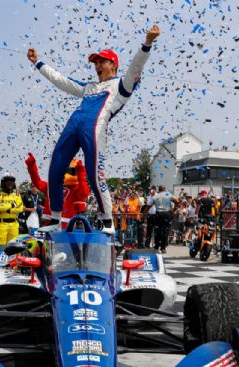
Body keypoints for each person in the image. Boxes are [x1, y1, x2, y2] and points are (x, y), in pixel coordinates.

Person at [27, 24, 160, 234]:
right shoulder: (89, 88)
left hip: (94, 130)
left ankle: (108, 221)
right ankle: (55, 218)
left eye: (101, 61)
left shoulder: (122, 85)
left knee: (94, 175)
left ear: (113, 65)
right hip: (74, 124)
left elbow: (135, 67)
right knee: (55, 169)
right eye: (95, 62)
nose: (96, 65)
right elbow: (62, 81)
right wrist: (38, 63)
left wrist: (148, 43)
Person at [25, 153, 90, 229]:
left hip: (67, 228)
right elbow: (37, 182)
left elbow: (85, 192)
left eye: (73, 171)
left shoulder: (76, 189)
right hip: (49, 225)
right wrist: (32, 166)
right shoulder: (51, 187)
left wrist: (81, 175)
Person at [0, 173, 24, 245]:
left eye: (12, 181)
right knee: (0, 247)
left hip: (14, 225)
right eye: (8, 181)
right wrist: (13, 205)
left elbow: (20, 208)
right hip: (1, 224)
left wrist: (8, 210)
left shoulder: (17, 195)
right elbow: (0, 207)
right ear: (3, 182)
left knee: (13, 247)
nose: (10, 183)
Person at [152, 186, 179, 253]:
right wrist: (173, 210)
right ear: (165, 189)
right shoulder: (168, 194)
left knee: (157, 230)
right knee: (165, 231)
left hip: (158, 213)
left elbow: (149, 205)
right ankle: (163, 248)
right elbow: (177, 202)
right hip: (167, 213)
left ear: (159, 190)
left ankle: (156, 246)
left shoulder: (156, 196)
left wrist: (144, 212)